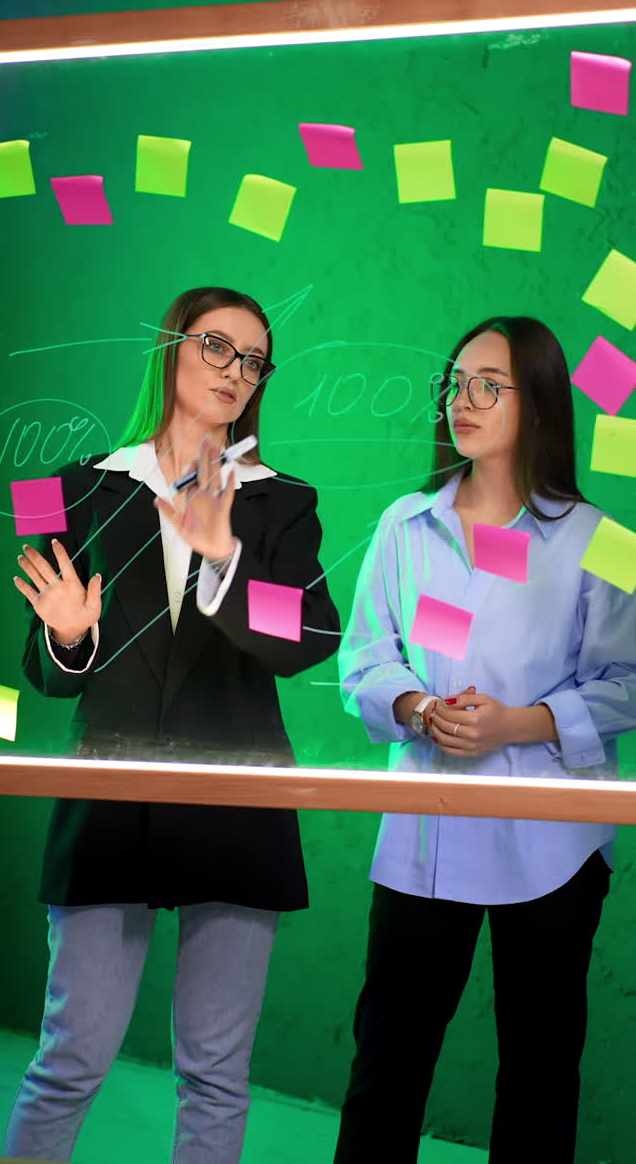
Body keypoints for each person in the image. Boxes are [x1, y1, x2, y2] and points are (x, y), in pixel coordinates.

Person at [3, 286, 340, 1164]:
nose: (236, 372)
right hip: (109, 804)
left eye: (254, 360)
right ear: (173, 348)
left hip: (236, 806)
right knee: (69, 1060)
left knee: (217, 1074)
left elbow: (311, 634)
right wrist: (69, 637)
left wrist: (222, 563)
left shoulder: (283, 503)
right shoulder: (69, 488)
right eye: (218, 348)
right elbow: (41, 665)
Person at [333, 316, 636, 1164]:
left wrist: (517, 724)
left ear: (537, 404)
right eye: (455, 381)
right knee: (387, 1061)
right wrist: (419, 710)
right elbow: (366, 659)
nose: (463, 400)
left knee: (539, 1070)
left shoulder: (601, 541)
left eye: (488, 384)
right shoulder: (404, 526)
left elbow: (628, 682)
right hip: (423, 832)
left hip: (552, 846)